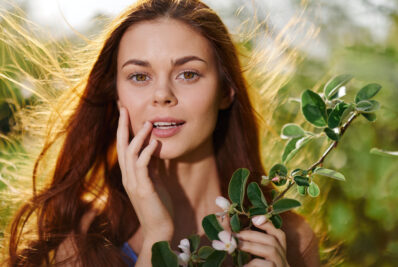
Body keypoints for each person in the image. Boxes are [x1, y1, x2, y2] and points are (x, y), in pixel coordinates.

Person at [7, 0, 320, 266]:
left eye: (188, 74)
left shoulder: (288, 239)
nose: (162, 94)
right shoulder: (77, 243)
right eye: (140, 76)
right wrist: (157, 236)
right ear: (117, 97)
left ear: (226, 91)